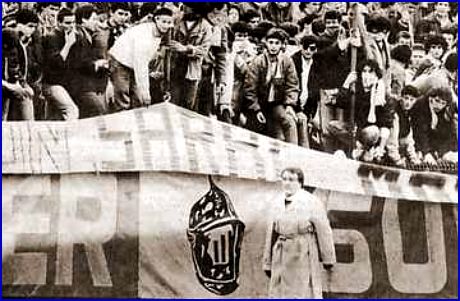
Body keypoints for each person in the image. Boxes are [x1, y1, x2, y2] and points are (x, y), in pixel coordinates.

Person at [262, 167, 336, 298]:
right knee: (279, 292)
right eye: (284, 179)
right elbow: (271, 233)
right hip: (281, 254)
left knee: (302, 291)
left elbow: (324, 230)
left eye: (291, 180)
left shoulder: (311, 201)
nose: (287, 183)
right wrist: (267, 262)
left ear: (300, 182)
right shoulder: (276, 202)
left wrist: (328, 259)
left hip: (302, 253)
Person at [108, 7, 174, 112]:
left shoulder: (158, 32)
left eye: (169, 22)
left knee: (138, 100)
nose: (166, 25)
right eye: (163, 21)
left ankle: (137, 124)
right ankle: (122, 126)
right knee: (123, 99)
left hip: (133, 65)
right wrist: (146, 92)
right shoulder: (144, 36)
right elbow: (141, 64)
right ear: (156, 19)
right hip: (119, 62)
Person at [243, 28, 300, 144]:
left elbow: (292, 85)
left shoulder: (286, 61)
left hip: (276, 103)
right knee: (264, 133)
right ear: (266, 44)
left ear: (282, 45)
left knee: (289, 120)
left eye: (277, 43)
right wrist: (256, 109)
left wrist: (289, 105)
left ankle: (295, 153)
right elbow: (250, 89)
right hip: (258, 104)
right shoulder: (258, 62)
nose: (273, 46)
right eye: (271, 42)